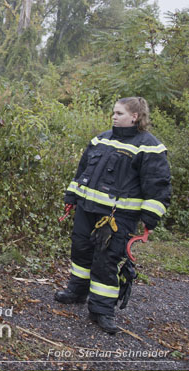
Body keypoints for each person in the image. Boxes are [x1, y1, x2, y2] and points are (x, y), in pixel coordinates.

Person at [55, 97, 171, 334]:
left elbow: (158, 185)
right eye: (113, 112)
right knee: (80, 250)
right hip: (87, 209)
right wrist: (72, 195)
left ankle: (102, 310)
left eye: (119, 113)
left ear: (134, 116)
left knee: (106, 261)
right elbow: (83, 171)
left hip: (117, 218)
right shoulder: (101, 139)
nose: (114, 116)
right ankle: (77, 291)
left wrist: (151, 216)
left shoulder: (149, 147)